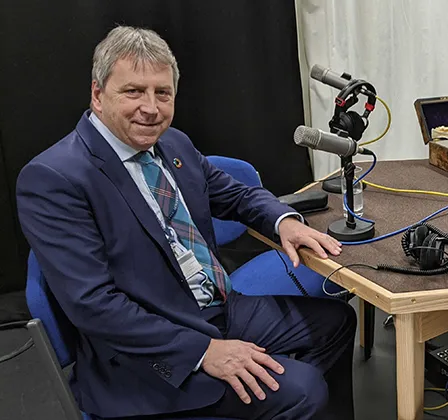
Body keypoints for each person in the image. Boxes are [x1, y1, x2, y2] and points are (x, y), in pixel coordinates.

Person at [17, 26, 355, 420]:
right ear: (97, 94)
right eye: (133, 91)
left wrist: (284, 221)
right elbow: (93, 304)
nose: (151, 108)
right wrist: (203, 351)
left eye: (162, 93)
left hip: (214, 308)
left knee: (336, 322)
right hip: (145, 353)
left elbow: (237, 195)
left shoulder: (173, 143)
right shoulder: (54, 178)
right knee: (302, 389)